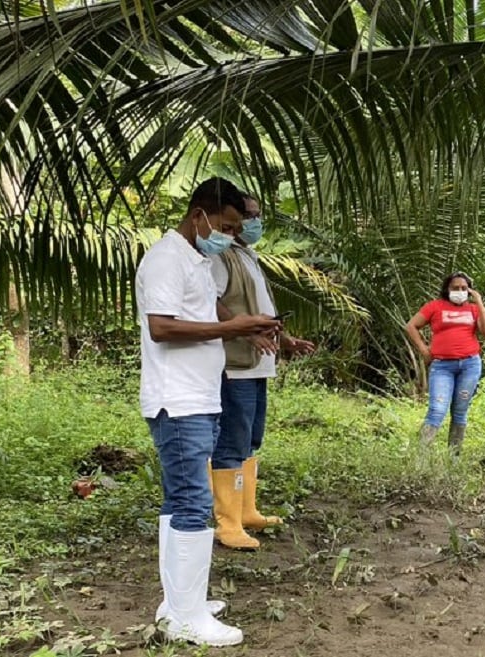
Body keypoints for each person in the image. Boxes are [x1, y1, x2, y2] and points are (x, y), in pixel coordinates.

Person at [136, 177, 280, 646]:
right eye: (226, 224)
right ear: (199, 214)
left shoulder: (198, 259)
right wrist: (235, 325)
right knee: (194, 504)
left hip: (200, 395)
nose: (231, 234)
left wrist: (246, 330)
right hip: (177, 399)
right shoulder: (165, 259)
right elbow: (161, 327)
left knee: (178, 501)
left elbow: (211, 311)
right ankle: (185, 618)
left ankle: (179, 602)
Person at [208, 193, 314, 550]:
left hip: (257, 364)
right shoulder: (220, 256)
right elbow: (212, 302)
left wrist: (285, 340)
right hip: (235, 363)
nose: (253, 221)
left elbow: (261, 309)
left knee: (251, 439)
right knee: (231, 442)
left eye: (256, 214)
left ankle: (246, 509)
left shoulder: (247, 255)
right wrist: (245, 331)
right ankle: (227, 523)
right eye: (247, 215)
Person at [404, 272, 485, 454]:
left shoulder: (473, 309)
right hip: (442, 367)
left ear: (469, 290)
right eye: (455, 288)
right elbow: (411, 326)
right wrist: (424, 351)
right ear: (447, 289)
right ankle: (419, 458)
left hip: (469, 365)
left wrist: (479, 302)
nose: (459, 291)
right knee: (437, 410)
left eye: (464, 288)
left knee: (460, 411)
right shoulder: (435, 307)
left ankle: (453, 458)